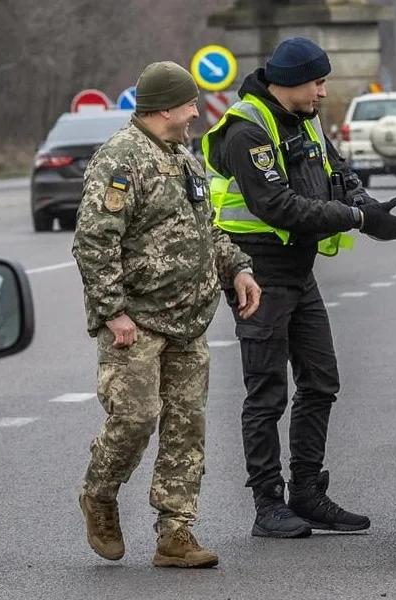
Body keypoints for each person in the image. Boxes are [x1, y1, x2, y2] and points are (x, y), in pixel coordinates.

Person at [203, 36, 396, 538]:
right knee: (266, 392)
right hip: (257, 271)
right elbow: (277, 207)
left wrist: (367, 204)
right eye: (318, 82)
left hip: (299, 270)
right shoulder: (246, 130)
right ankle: (267, 505)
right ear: (293, 83)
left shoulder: (306, 119)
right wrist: (358, 218)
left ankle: (307, 491)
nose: (323, 92)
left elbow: (337, 173)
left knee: (321, 381)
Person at [73, 61, 261, 567]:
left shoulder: (186, 158)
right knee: (134, 418)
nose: (197, 112)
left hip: (188, 320)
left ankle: (176, 534)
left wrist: (238, 269)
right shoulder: (121, 160)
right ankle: (100, 492)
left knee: (185, 426)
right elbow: (94, 242)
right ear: (164, 108)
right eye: (189, 104)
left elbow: (207, 231)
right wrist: (113, 312)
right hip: (135, 320)